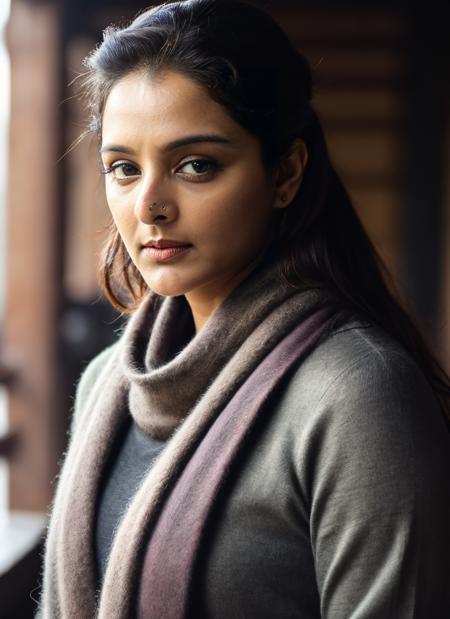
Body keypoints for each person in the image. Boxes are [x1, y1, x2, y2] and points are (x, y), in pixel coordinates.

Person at [38, 1, 450, 617]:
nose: (149, 206)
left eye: (196, 165)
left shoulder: (356, 394)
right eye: (123, 168)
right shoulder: (106, 384)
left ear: (284, 173)